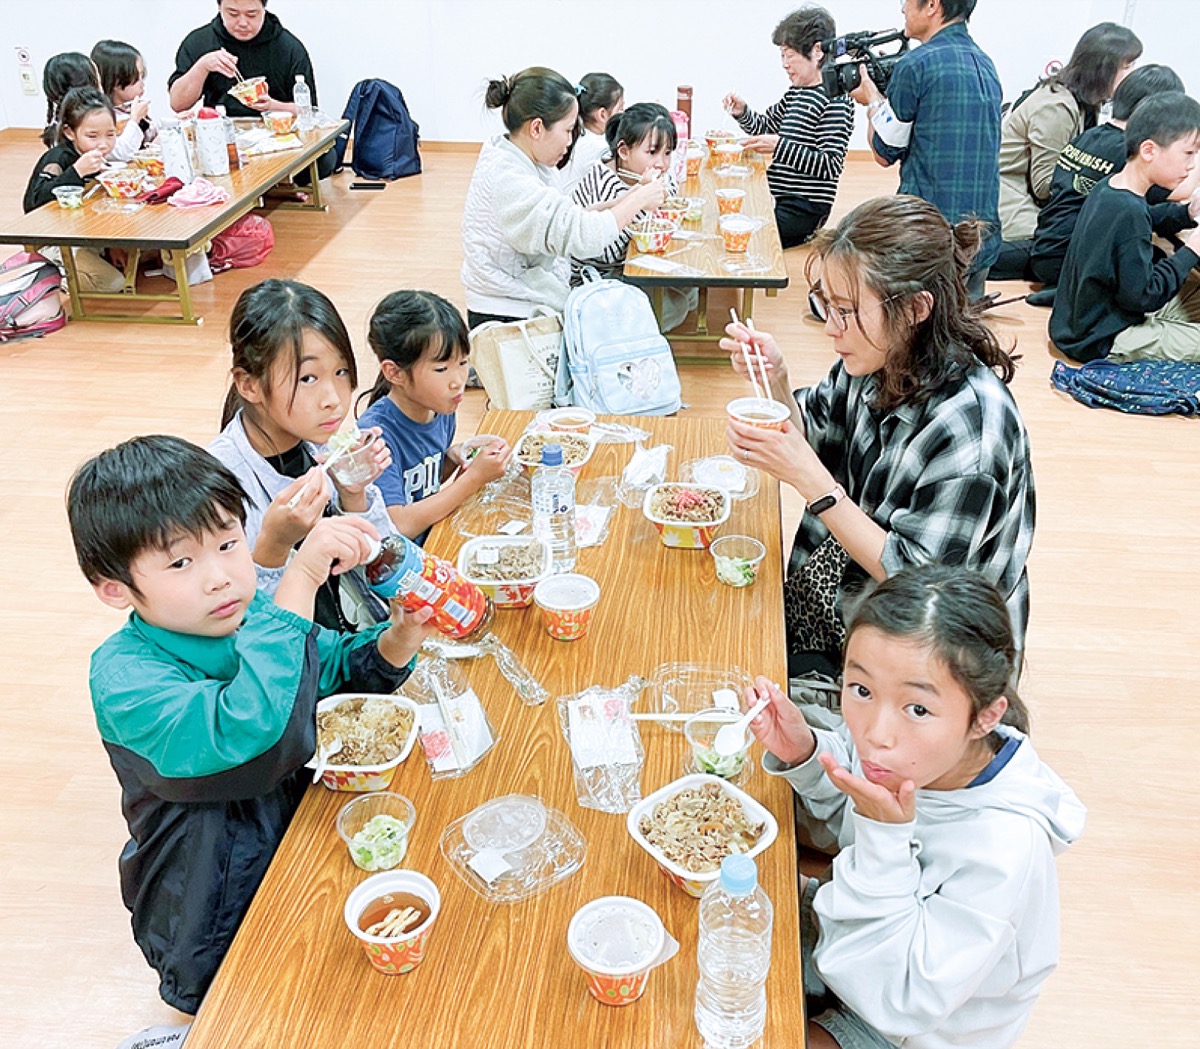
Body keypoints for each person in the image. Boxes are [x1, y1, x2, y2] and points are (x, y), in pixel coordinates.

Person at [67, 434, 432, 1014]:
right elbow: (253, 733)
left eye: (229, 543)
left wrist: (394, 640)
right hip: (205, 901)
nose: (220, 577)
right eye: (181, 562)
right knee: (240, 1004)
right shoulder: (124, 677)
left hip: (288, 845)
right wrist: (301, 577)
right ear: (116, 589)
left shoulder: (242, 614)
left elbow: (323, 665)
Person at [746, 565, 1085, 1049]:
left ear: (984, 717)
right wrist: (804, 752)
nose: (875, 733)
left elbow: (894, 996)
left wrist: (884, 837)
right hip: (853, 934)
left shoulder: (1006, 850)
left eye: (918, 708)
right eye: (860, 689)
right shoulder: (912, 754)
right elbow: (846, 818)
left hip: (904, 1022)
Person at [721, 195, 1034, 674]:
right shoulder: (874, 358)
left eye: (845, 310)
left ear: (915, 308)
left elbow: (917, 582)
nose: (831, 328)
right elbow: (816, 436)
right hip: (851, 592)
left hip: (933, 647)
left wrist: (815, 485)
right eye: (826, 306)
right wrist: (777, 380)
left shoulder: (971, 430)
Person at [208, 279, 396, 631]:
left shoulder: (324, 445)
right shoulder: (216, 486)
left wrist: (355, 494)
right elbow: (238, 627)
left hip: (353, 645)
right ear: (248, 384)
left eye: (340, 372)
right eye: (308, 378)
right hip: (297, 671)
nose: (334, 398)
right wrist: (274, 545)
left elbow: (387, 565)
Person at [460, 66, 665, 329]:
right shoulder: (510, 179)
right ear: (536, 128)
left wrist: (631, 196)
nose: (570, 142)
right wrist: (637, 200)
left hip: (522, 295)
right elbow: (585, 237)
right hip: (508, 316)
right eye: (568, 131)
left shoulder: (518, 157)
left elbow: (568, 215)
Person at [849, 0, 1001, 300]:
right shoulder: (986, 64)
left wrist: (872, 100)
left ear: (932, 5)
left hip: (929, 246)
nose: (902, 8)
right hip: (982, 242)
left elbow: (883, 152)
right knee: (963, 332)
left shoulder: (916, 64)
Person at [1008, 65, 1185, 295]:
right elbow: (1179, 190)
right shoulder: (1129, 153)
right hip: (1068, 258)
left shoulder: (1091, 136)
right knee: (1157, 259)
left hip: (1045, 244)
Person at [1050, 93, 1200, 364]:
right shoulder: (1128, 211)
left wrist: (1186, 213)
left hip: (1083, 321)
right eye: (1188, 153)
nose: (1191, 166)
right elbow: (1143, 296)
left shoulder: (1112, 187)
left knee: (1194, 290)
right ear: (1149, 150)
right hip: (1102, 336)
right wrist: (1191, 250)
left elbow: (1145, 219)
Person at [357, 290, 512, 542]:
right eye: (441, 369)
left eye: (463, 363)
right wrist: (473, 479)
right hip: (402, 566)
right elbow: (399, 524)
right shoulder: (374, 439)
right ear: (395, 373)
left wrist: (453, 456)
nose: (458, 381)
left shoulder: (439, 407)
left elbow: (417, 489)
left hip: (432, 536)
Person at [992, 23, 1143, 278]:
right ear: (1103, 69)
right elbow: (1045, 185)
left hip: (1023, 197)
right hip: (1010, 201)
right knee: (1071, 250)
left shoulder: (1081, 101)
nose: (1133, 74)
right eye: (1127, 66)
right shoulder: (1057, 107)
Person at [724, 5, 854, 248]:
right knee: (727, 218)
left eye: (789, 55)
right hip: (775, 194)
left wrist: (781, 146)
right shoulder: (796, 93)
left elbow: (830, 165)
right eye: (782, 56)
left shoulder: (835, 99)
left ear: (817, 51)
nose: (784, 64)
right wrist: (743, 112)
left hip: (803, 208)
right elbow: (764, 126)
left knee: (744, 235)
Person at [168, 0, 336, 179]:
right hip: (223, 140)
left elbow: (308, 111)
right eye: (232, 14)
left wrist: (272, 105)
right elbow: (178, 104)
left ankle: (273, 183)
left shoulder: (287, 46)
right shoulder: (200, 41)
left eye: (251, 15)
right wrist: (203, 66)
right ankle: (275, 185)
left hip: (278, 139)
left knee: (324, 160)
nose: (242, 22)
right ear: (219, 8)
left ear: (264, 9)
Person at [23, 86, 126, 293]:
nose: (103, 144)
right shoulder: (58, 159)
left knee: (150, 253)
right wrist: (76, 172)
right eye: (93, 136)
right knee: (112, 283)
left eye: (110, 134)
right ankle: (49, 275)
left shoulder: (97, 157)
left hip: (85, 233)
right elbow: (33, 204)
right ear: (70, 132)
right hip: (55, 241)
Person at [552, 72, 624, 196]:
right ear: (602, 115)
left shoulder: (579, 136)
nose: (624, 115)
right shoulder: (599, 148)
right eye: (620, 109)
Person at [91, 39, 155, 163]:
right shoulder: (98, 116)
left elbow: (150, 141)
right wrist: (134, 120)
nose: (142, 84)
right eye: (137, 78)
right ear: (115, 81)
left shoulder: (128, 108)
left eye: (143, 76)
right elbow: (122, 153)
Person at [40, 51, 99, 147]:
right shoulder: (81, 125)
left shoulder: (57, 121)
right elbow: (119, 151)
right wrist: (133, 119)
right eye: (97, 80)